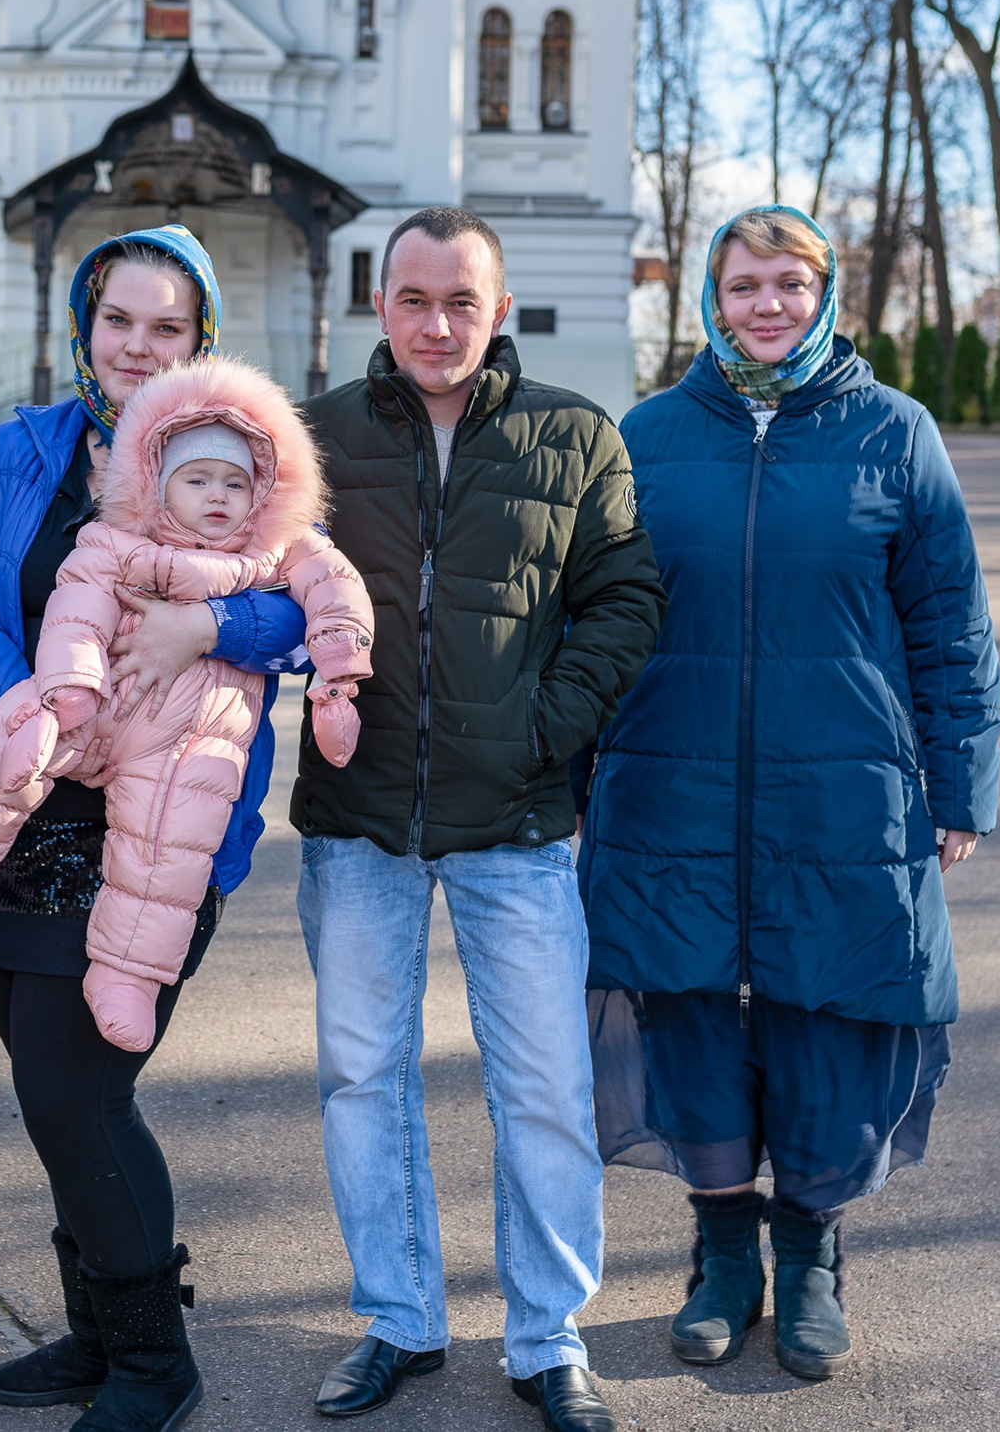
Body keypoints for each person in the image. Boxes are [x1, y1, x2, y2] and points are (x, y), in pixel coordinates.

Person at [582, 204, 1000, 1382]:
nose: (766, 304)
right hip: (670, 779)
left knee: (828, 1009)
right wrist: (562, 777)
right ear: (710, 296)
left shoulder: (894, 434)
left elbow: (949, 623)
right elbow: (597, 619)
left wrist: (958, 783)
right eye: (743, 283)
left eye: (789, 283)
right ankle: (723, 1257)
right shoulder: (650, 435)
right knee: (694, 1005)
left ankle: (810, 1259)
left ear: (824, 297)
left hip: (844, 786)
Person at [0, 226, 310, 1432]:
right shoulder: (29, 447)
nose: (141, 348)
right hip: (20, 803)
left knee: (81, 1096)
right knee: (52, 1097)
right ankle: (95, 1333)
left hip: (157, 829)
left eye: (168, 327)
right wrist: (28, 697)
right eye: (120, 322)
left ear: (202, 341)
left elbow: (307, 605)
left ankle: (154, 1361)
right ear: (83, 329)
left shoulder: (239, 456)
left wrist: (210, 632)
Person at [290, 206, 666, 1432]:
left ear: (496, 309)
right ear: (379, 305)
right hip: (359, 817)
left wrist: (542, 726)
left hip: (514, 820)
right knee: (361, 1075)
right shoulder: (322, 437)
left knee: (545, 1087)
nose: (436, 323)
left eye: (461, 300)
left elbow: (624, 594)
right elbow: (254, 573)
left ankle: (548, 1339)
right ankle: (397, 1320)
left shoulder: (572, 432)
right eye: (412, 298)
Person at [0, 354, 374, 1053]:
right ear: (159, 485)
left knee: (164, 850)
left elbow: (337, 592)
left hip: (187, 735)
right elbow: (77, 607)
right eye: (197, 480)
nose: (217, 496)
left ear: (263, 493)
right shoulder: (119, 539)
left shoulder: (280, 549)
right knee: (12, 743)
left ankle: (126, 975)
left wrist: (339, 671)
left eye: (235, 484)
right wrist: (68, 682)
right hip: (94, 701)